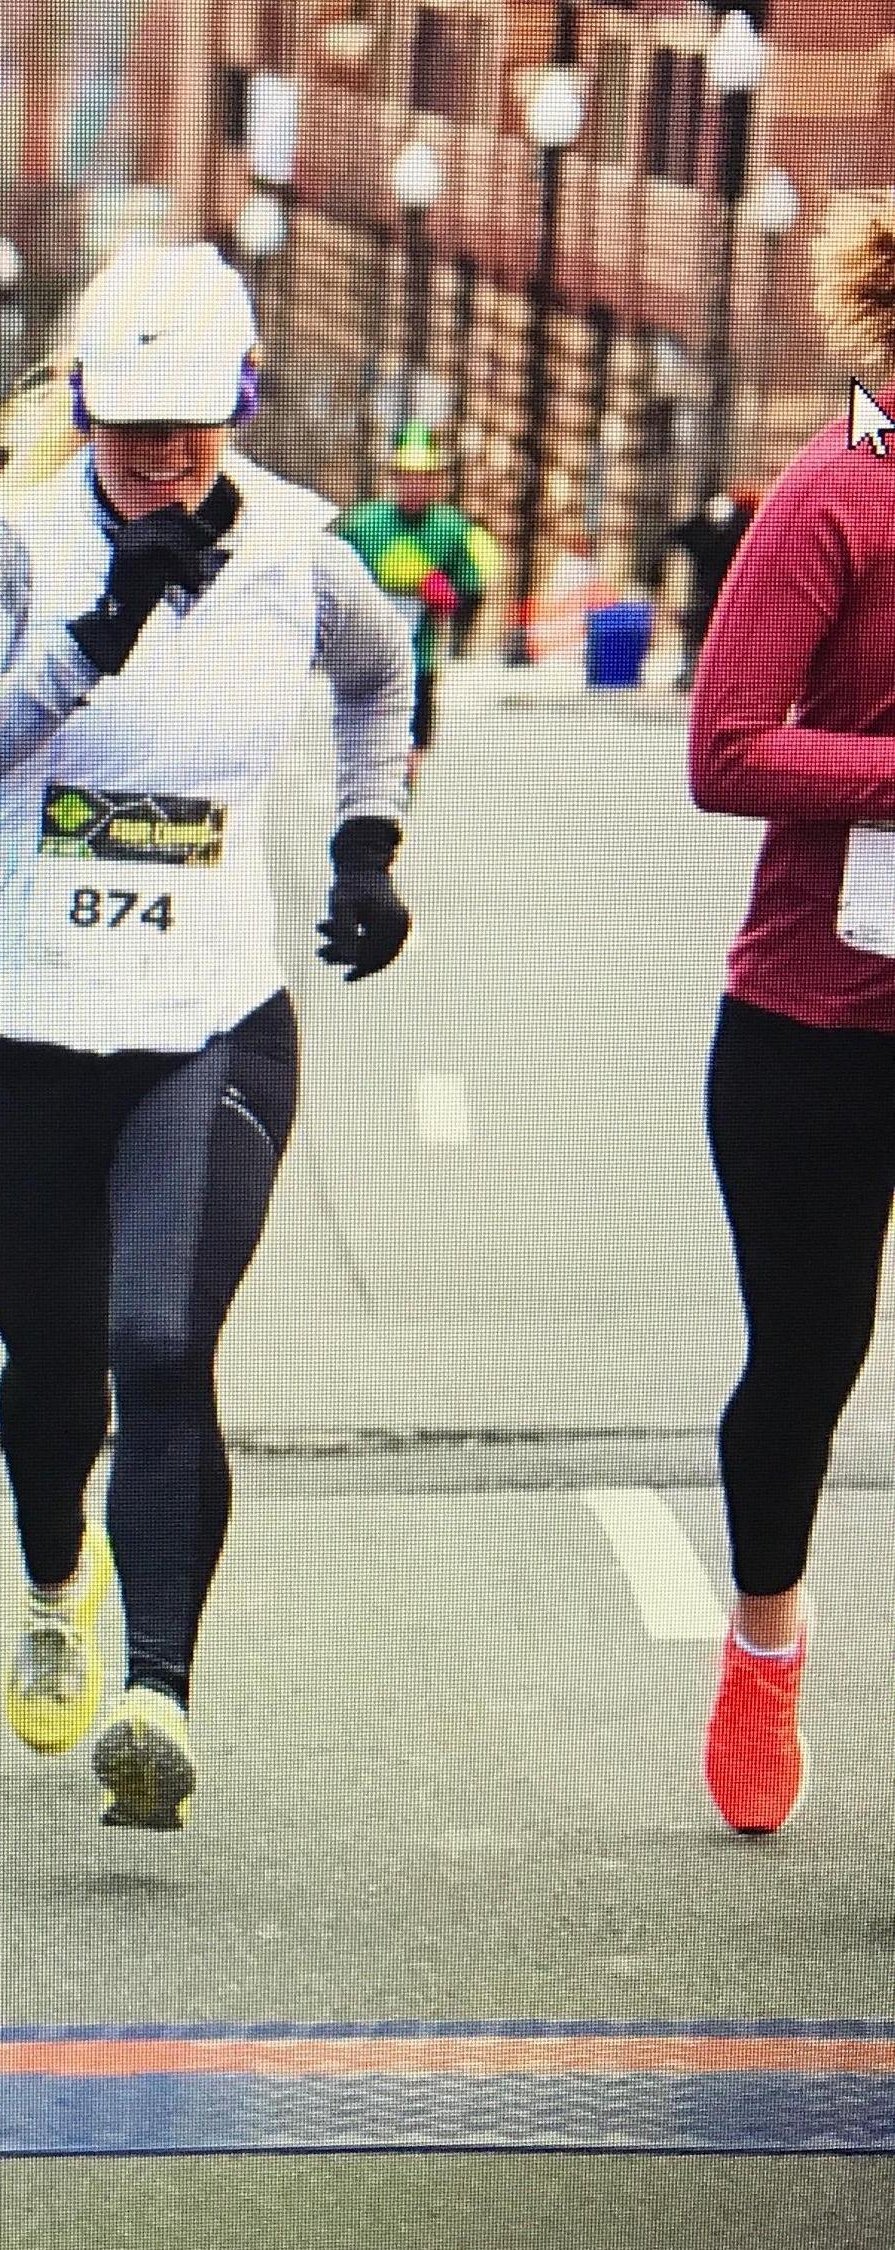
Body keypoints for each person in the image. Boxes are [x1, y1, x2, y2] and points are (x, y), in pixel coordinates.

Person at [0, 241, 414, 1832]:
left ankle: (156, 1695)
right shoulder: (2, 550)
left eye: (192, 423)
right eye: (129, 425)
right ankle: (56, 1572)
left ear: (239, 403)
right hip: (14, 1031)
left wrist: (366, 841)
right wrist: (81, 644)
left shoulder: (300, 555)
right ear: (80, 403)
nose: (161, 456)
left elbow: (378, 675)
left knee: (159, 1341)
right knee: (54, 1370)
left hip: (205, 1023)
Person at [685, 191, 895, 1838]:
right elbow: (729, 749)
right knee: (807, 1364)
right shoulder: (833, 499)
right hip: (817, 1023)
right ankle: (764, 1644)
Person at [333, 421, 496, 789]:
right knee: (366, 742)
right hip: (367, 655)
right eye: (407, 476)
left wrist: (453, 592)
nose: (415, 486)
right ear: (394, 477)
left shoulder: (452, 529)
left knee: (411, 744)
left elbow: (479, 577)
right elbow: (330, 573)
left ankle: (400, 796)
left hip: (420, 657)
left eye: (424, 476)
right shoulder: (364, 524)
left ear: (437, 479)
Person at [658, 484, 761, 690]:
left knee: (712, 636)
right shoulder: (719, 525)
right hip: (714, 593)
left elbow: (680, 536)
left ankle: (708, 675)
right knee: (702, 635)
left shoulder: (741, 524)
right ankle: (698, 674)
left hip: (721, 593)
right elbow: (681, 536)